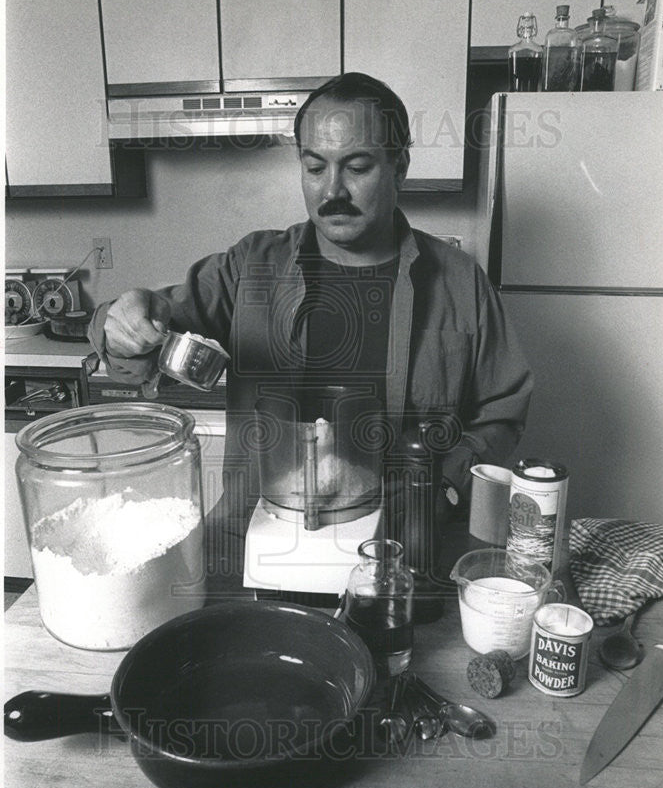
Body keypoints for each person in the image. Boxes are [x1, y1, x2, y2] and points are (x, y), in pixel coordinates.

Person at [88, 72, 533, 571]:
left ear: (399, 166)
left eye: (357, 167)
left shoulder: (458, 282)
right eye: (314, 167)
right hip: (249, 542)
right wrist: (124, 328)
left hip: (401, 551)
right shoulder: (249, 267)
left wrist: (448, 486)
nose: (333, 190)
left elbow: (502, 408)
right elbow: (139, 344)